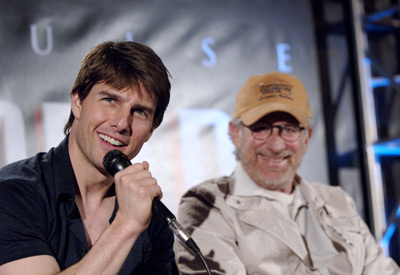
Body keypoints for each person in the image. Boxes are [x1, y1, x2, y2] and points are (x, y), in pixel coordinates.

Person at [174, 72, 400, 274]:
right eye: (261, 128)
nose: (276, 145)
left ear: (306, 137)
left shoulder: (337, 200)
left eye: (289, 130)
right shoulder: (206, 204)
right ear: (235, 133)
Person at [0, 41, 176, 274]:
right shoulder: (14, 193)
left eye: (140, 112)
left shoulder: (151, 217)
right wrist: (126, 224)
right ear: (78, 103)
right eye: (110, 100)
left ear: (151, 130)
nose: (122, 123)